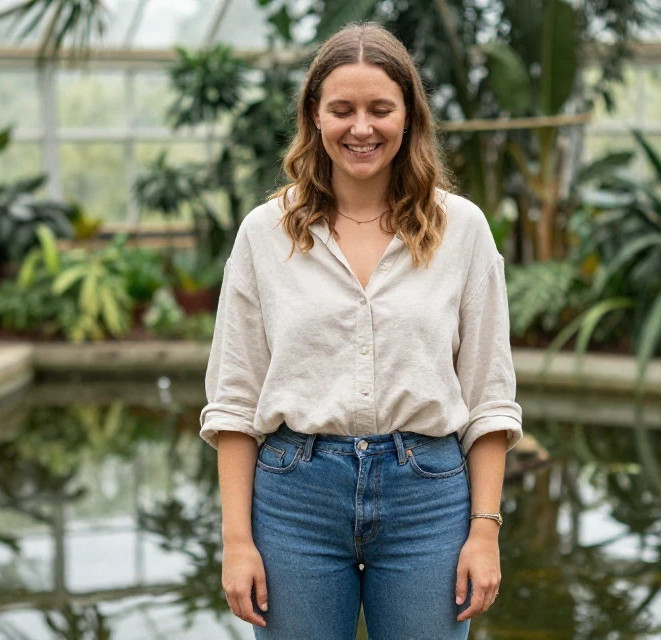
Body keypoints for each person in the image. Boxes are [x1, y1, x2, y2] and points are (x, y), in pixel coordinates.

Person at [200, 21, 543, 640]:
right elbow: (234, 399)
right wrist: (236, 542)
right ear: (315, 116)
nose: (362, 128)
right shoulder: (263, 233)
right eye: (343, 110)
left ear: (408, 116)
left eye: (380, 109)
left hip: (428, 501)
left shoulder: (461, 230)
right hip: (294, 500)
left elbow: (490, 395)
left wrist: (485, 531)